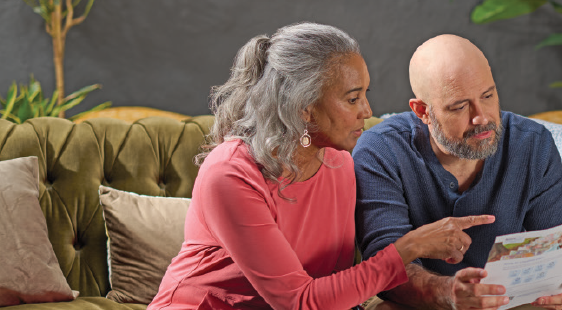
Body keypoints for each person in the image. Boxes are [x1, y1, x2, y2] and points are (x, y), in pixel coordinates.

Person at [148, 23, 493, 310]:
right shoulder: (230, 174)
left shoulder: (339, 162)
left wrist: (448, 289)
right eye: (352, 98)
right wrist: (411, 247)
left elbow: (338, 287)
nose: (367, 111)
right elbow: (299, 301)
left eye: (365, 95)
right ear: (303, 107)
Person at [353, 34, 562, 310]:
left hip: (506, 299)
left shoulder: (531, 143)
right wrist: (448, 293)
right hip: (422, 303)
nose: (482, 117)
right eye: (460, 106)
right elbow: (383, 264)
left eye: (488, 96)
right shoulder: (380, 150)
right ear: (423, 111)